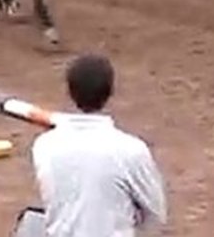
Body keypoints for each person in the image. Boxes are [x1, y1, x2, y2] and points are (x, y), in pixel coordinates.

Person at [29, 53, 167, 236]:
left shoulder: (44, 146)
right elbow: (156, 213)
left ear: (69, 91)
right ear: (110, 91)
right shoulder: (132, 150)